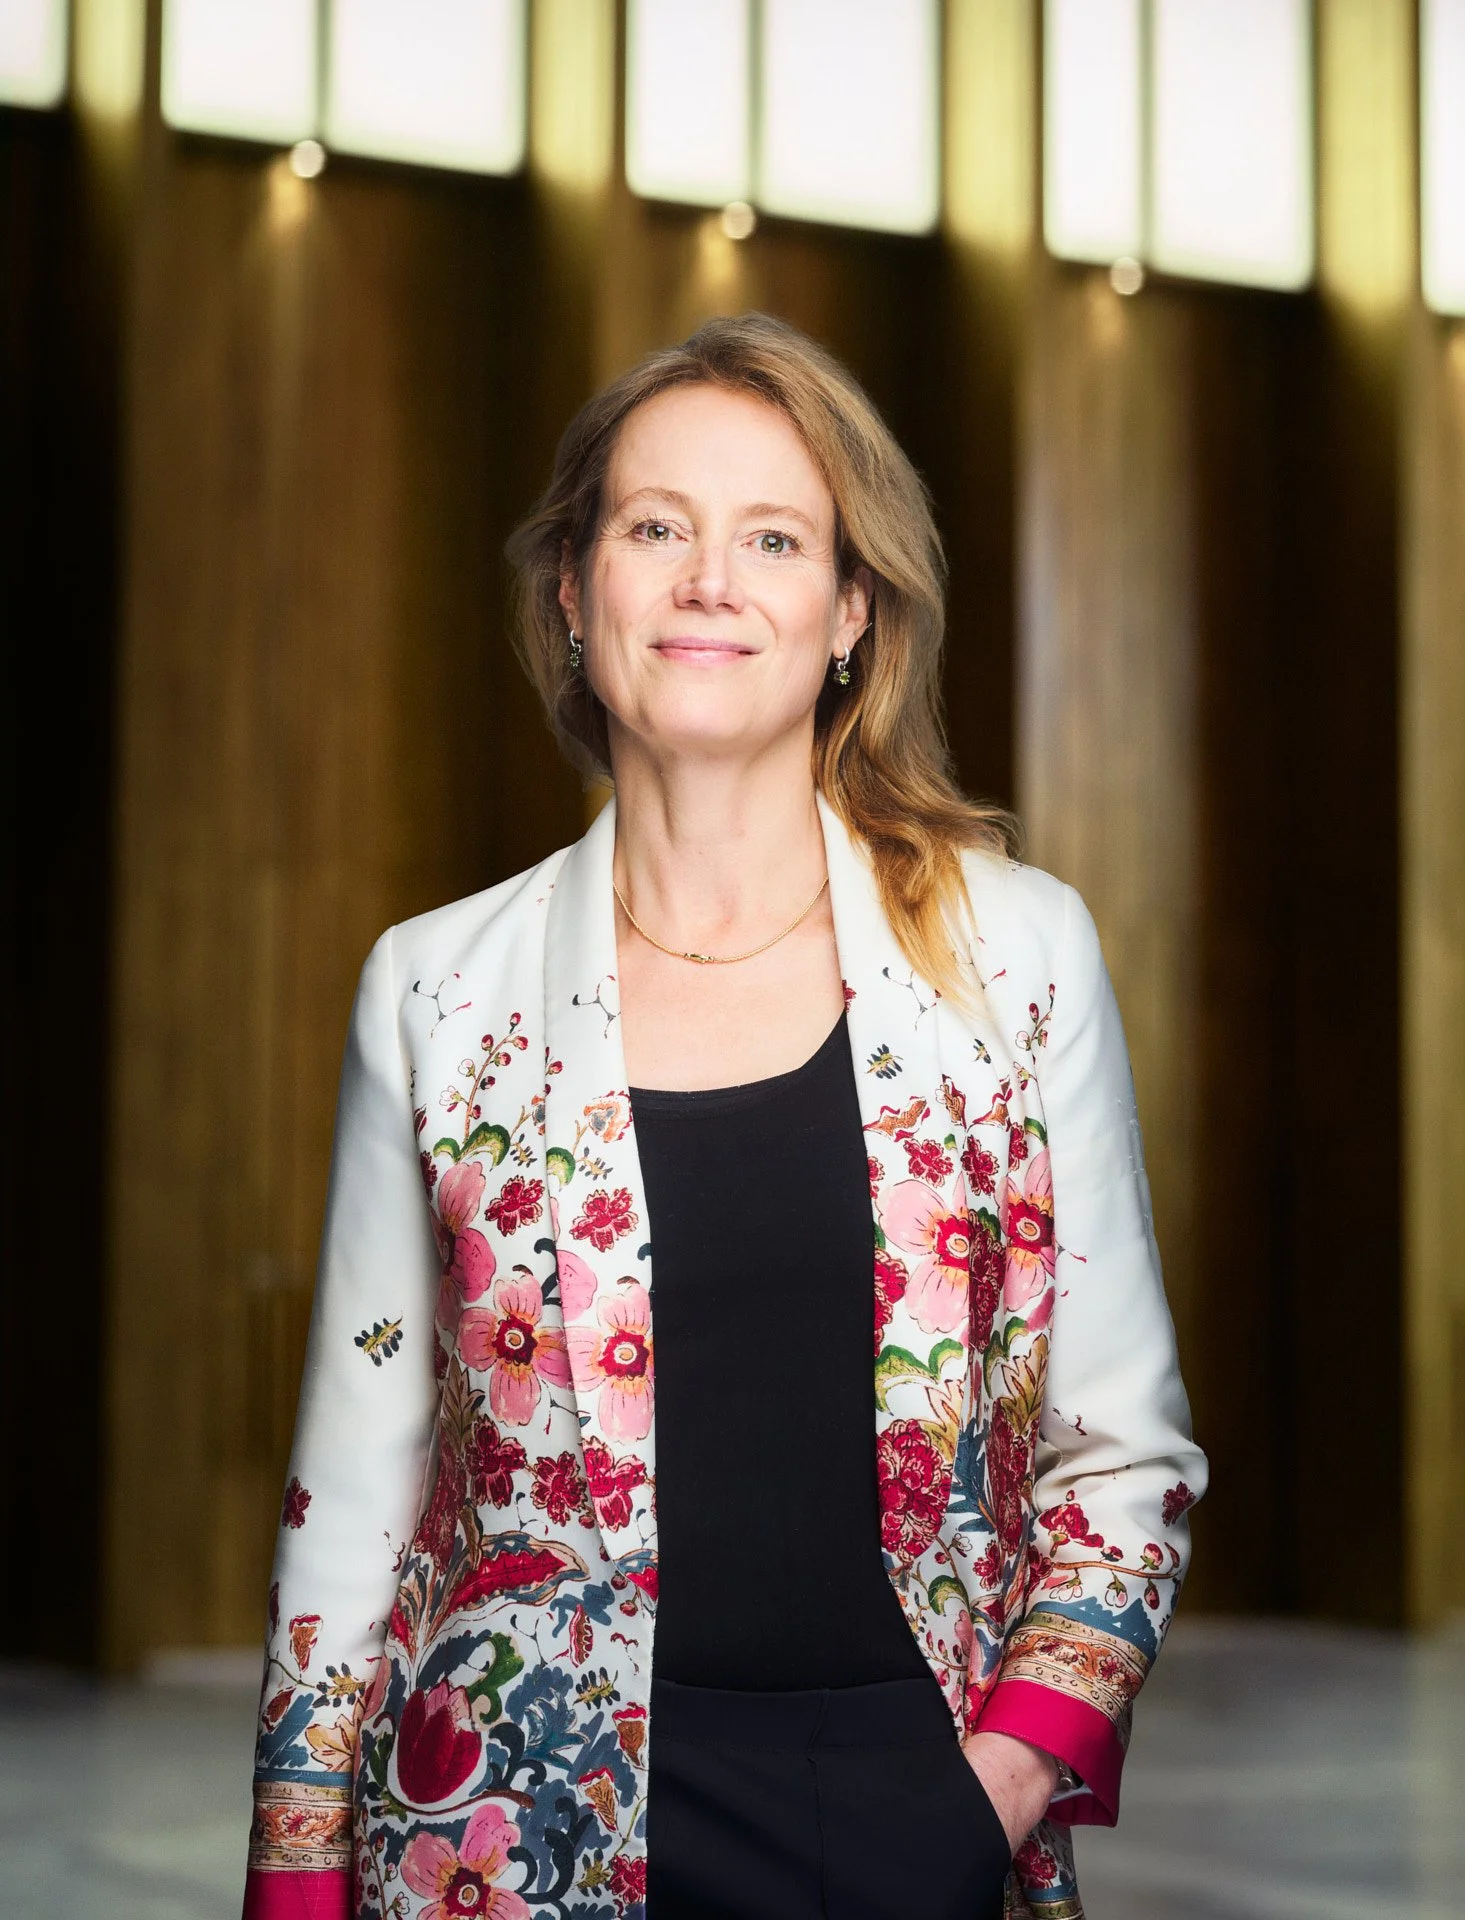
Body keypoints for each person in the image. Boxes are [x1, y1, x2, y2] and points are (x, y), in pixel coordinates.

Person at [242, 312, 1206, 1920]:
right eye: (655, 528)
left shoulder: (1013, 956)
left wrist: (1000, 1785)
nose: (709, 579)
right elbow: (353, 1494)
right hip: (507, 1829)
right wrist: (293, 1886)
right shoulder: (433, 993)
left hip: (911, 1808)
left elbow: (1125, 1447)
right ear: (573, 592)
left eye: (772, 537)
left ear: (847, 612)